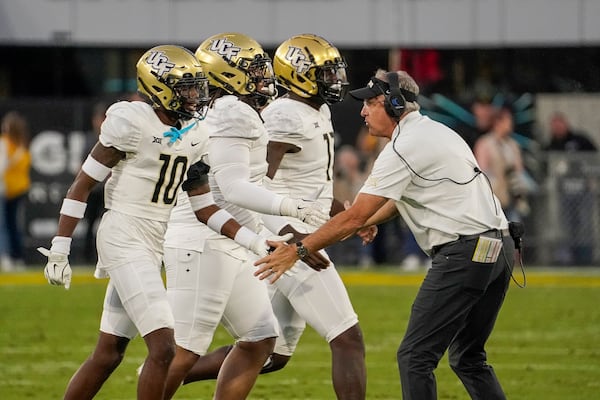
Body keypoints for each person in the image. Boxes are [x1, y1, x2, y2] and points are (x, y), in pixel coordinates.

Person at [37, 44, 287, 400]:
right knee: (164, 348)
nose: (195, 95)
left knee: (108, 354)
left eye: (197, 86)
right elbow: (83, 183)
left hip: (155, 240)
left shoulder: (195, 132)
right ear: (158, 87)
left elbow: (205, 208)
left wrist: (256, 243)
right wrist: (60, 249)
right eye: (185, 87)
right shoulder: (131, 121)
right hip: (123, 234)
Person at [254, 69, 518, 400]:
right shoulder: (437, 132)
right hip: (501, 248)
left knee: (414, 357)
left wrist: (299, 250)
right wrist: (368, 220)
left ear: (393, 104)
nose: (363, 112)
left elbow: (354, 215)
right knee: (469, 358)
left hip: (464, 252)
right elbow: (395, 202)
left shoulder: (403, 146)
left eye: (371, 103)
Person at [181, 34, 368, 400]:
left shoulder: (316, 110)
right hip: (287, 237)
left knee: (270, 352)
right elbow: (256, 184)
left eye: (334, 73)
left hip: (301, 231)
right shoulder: (283, 115)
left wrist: (345, 214)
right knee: (347, 338)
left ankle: (171, 372)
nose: (335, 81)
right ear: (298, 74)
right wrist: (290, 236)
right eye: (326, 74)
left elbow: (308, 184)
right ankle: (168, 369)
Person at [473, 106, 533, 222]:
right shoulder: (485, 143)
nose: (510, 124)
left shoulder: (512, 145)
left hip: (513, 193)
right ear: (497, 122)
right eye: (508, 121)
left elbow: (519, 169)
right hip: (494, 196)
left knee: (514, 228)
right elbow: (482, 170)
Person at [1, 110, 32, 269]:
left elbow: (2, 167)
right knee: (12, 224)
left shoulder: (8, 143)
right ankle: (16, 256)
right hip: (19, 189)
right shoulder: (22, 145)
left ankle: (7, 255)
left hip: (7, 190)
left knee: (5, 225)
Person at [82, 101, 108, 264]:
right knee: (90, 224)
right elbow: (82, 165)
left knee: (108, 225)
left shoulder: (112, 138)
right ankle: (87, 256)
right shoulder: (90, 139)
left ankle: (105, 256)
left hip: (108, 189)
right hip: (94, 188)